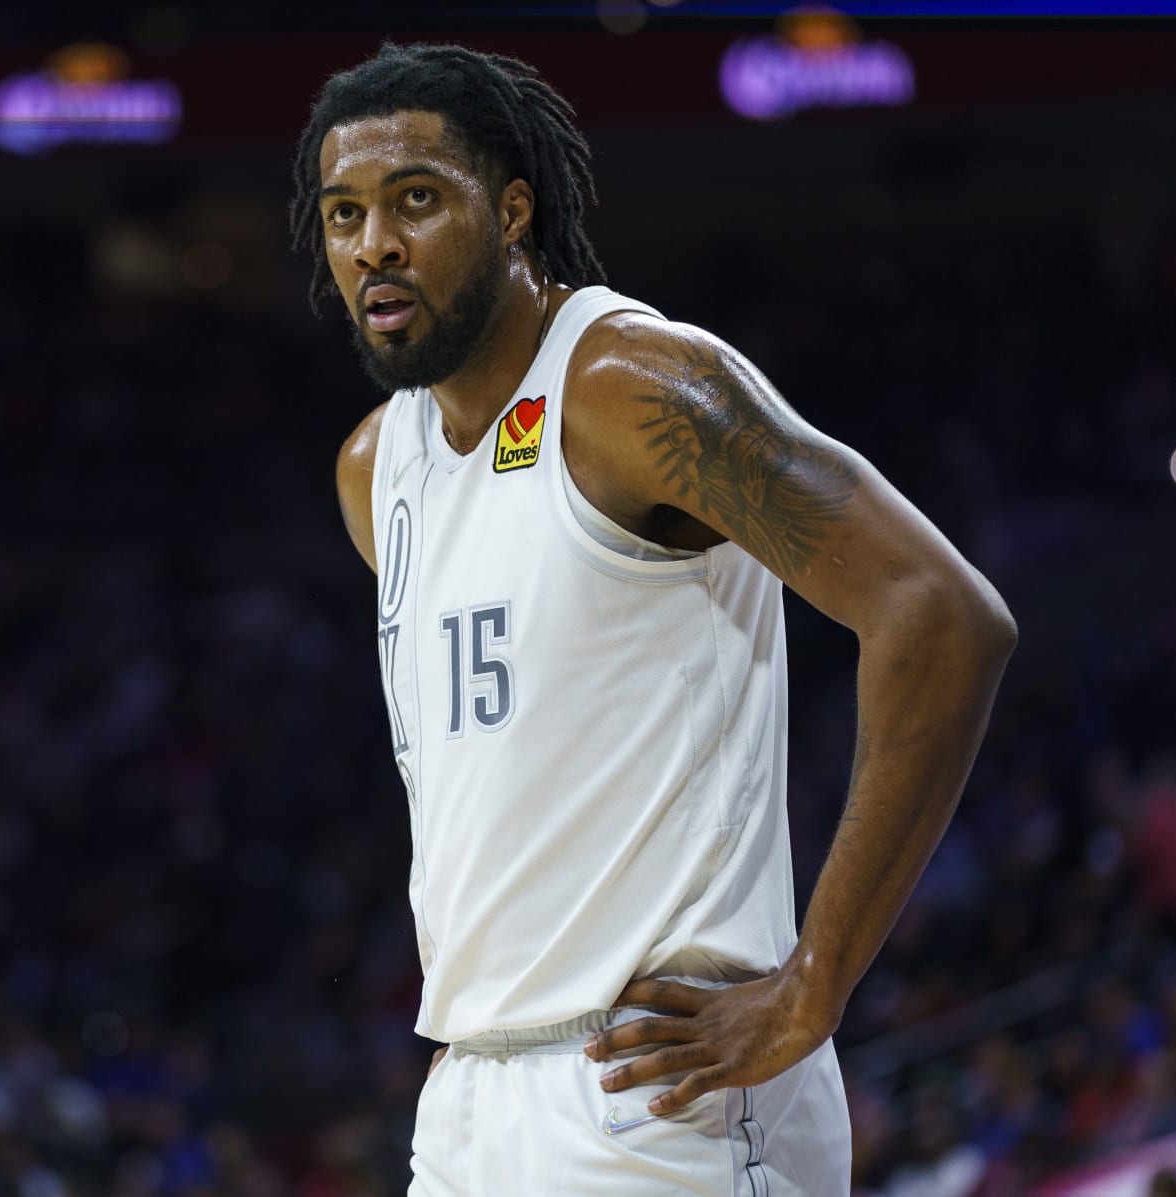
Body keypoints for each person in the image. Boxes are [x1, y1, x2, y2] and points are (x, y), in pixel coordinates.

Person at [293, 42, 1017, 1196]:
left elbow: (941, 615)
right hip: (471, 1095)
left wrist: (815, 981)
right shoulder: (374, 469)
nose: (373, 243)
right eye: (344, 214)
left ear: (514, 210)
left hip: (658, 1090)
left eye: (416, 201)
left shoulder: (628, 386)